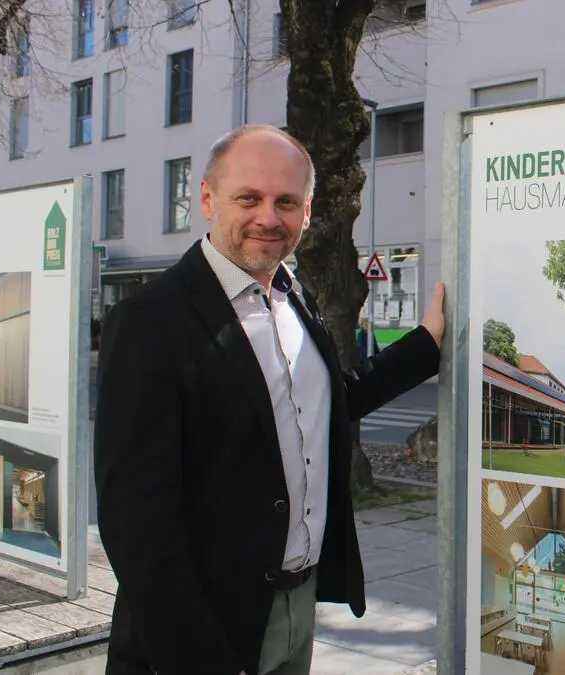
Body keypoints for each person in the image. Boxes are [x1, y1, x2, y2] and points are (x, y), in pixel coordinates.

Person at [92, 124, 445, 675]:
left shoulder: (292, 298)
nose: (268, 217)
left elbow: (325, 403)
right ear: (207, 199)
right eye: (248, 198)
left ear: (307, 211)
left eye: (286, 202)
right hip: (204, 631)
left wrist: (425, 345)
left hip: (297, 609)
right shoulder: (148, 323)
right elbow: (135, 523)